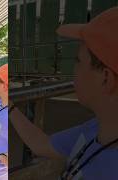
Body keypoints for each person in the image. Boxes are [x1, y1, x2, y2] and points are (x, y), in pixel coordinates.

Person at [10, 7, 118, 180]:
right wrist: (8, 105)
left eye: (78, 60)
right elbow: (41, 144)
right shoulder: (98, 128)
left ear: (106, 78)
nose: (73, 70)